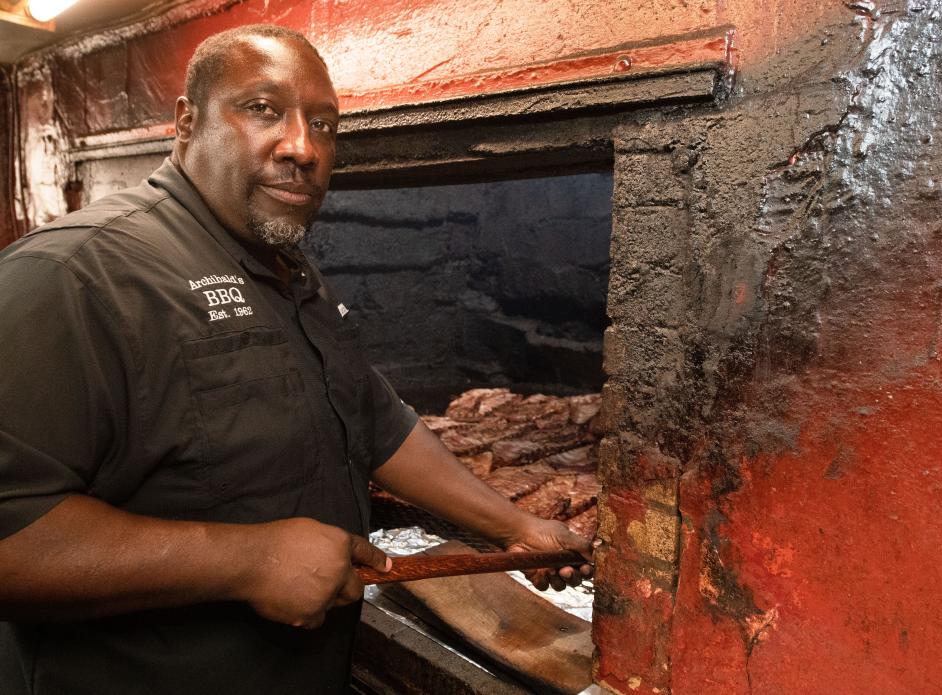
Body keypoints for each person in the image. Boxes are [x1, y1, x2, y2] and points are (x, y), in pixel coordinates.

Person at [0, 24, 593, 695]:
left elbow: (373, 418)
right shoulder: (74, 275)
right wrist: (247, 560)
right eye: (263, 109)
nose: (304, 147)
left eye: (325, 125)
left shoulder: (289, 272)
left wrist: (517, 526)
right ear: (186, 123)